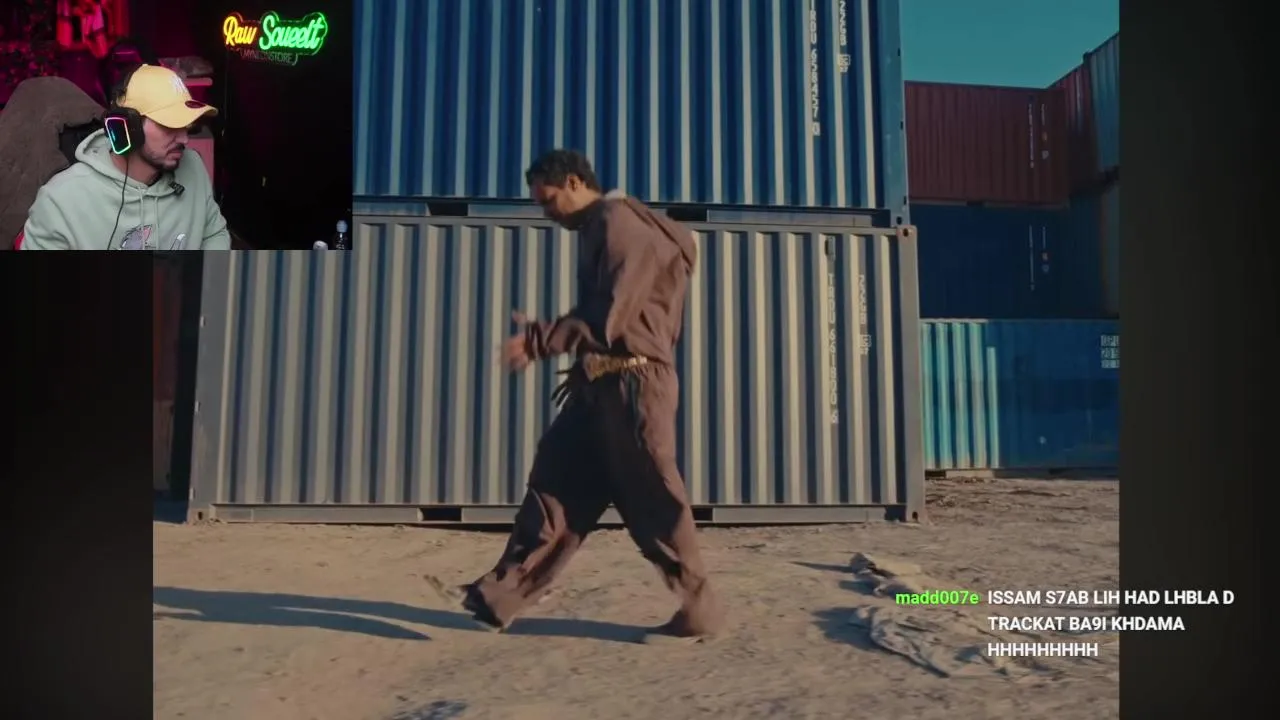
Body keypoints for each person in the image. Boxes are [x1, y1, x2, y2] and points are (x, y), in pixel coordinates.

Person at [425, 149, 725, 643]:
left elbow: (611, 312)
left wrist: (543, 339)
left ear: (573, 182)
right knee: (557, 482)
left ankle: (700, 611)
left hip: (633, 384)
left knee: (653, 497)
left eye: (548, 201)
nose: (546, 213)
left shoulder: (617, 221)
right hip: (601, 381)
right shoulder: (601, 227)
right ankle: (497, 598)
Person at [20, 63, 229, 250]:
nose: (184, 138)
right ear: (127, 127)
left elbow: (213, 233)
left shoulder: (194, 168)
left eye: (186, 125)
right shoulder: (60, 201)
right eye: (169, 125)